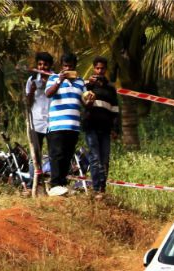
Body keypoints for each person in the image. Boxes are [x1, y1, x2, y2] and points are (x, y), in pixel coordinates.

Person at [44, 52, 85, 196]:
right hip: (57, 124)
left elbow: (85, 101)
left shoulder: (81, 82)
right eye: (65, 66)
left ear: (75, 66)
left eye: (70, 66)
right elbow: (48, 94)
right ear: (61, 67)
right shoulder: (53, 78)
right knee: (57, 154)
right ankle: (54, 184)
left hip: (73, 126)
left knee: (67, 156)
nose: (68, 69)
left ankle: (62, 184)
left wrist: (90, 100)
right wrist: (59, 81)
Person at [81, 56, 120, 199]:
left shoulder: (110, 88)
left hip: (105, 128)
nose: (100, 71)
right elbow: (83, 102)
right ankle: (96, 188)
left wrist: (116, 129)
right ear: (93, 68)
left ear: (106, 69)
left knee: (104, 159)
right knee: (95, 157)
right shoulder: (86, 84)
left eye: (102, 68)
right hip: (91, 126)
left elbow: (115, 110)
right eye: (97, 68)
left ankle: (102, 188)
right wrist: (89, 86)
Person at [25, 51, 54, 181]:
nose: (42, 67)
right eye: (40, 64)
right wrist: (32, 91)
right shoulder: (31, 79)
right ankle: (34, 183)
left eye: (45, 64)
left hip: (53, 122)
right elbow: (27, 103)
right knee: (35, 154)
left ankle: (54, 182)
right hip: (36, 122)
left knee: (54, 154)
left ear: (50, 65)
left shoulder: (56, 79)